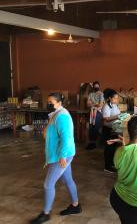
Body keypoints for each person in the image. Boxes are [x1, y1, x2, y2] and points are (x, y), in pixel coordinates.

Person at [30, 93, 81, 224]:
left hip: (61, 156)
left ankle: (46, 213)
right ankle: (76, 206)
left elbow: (67, 137)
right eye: (47, 102)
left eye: (51, 102)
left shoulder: (62, 116)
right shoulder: (56, 114)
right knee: (68, 179)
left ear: (59, 103)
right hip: (62, 154)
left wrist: (63, 155)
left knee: (48, 184)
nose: (48, 104)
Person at [102, 88, 121, 172]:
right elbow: (106, 119)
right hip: (108, 129)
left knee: (113, 147)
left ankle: (111, 164)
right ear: (110, 98)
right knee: (109, 148)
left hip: (114, 129)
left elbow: (117, 114)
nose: (116, 100)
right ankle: (107, 166)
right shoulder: (106, 106)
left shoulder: (114, 105)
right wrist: (117, 117)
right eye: (115, 98)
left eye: (117, 98)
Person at [86, 81, 104, 150]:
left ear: (99, 86)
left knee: (96, 127)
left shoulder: (101, 94)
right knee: (91, 127)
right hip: (91, 112)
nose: (96, 87)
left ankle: (94, 143)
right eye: (95, 86)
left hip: (98, 113)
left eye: (97, 86)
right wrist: (95, 104)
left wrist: (92, 103)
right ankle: (91, 142)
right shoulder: (91, 94)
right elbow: (87, 104)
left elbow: (101, 105)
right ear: (93, 87)